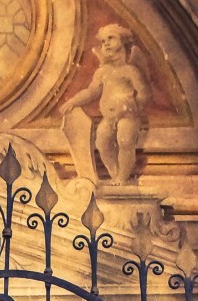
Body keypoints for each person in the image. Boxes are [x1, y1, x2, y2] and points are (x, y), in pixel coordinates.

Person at [61, 24, 151, 183]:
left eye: (111, 38)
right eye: (103, 42)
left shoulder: (130, 70)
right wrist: (73, 101)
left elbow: (144, 94)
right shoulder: (102, 72)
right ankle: (115, 173)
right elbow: (91, 92)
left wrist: (131, 105)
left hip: (127, 116)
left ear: (123, 42)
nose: (106, 44)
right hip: (108, 118)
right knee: (101, 143)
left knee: (125, 141)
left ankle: (122, 178)